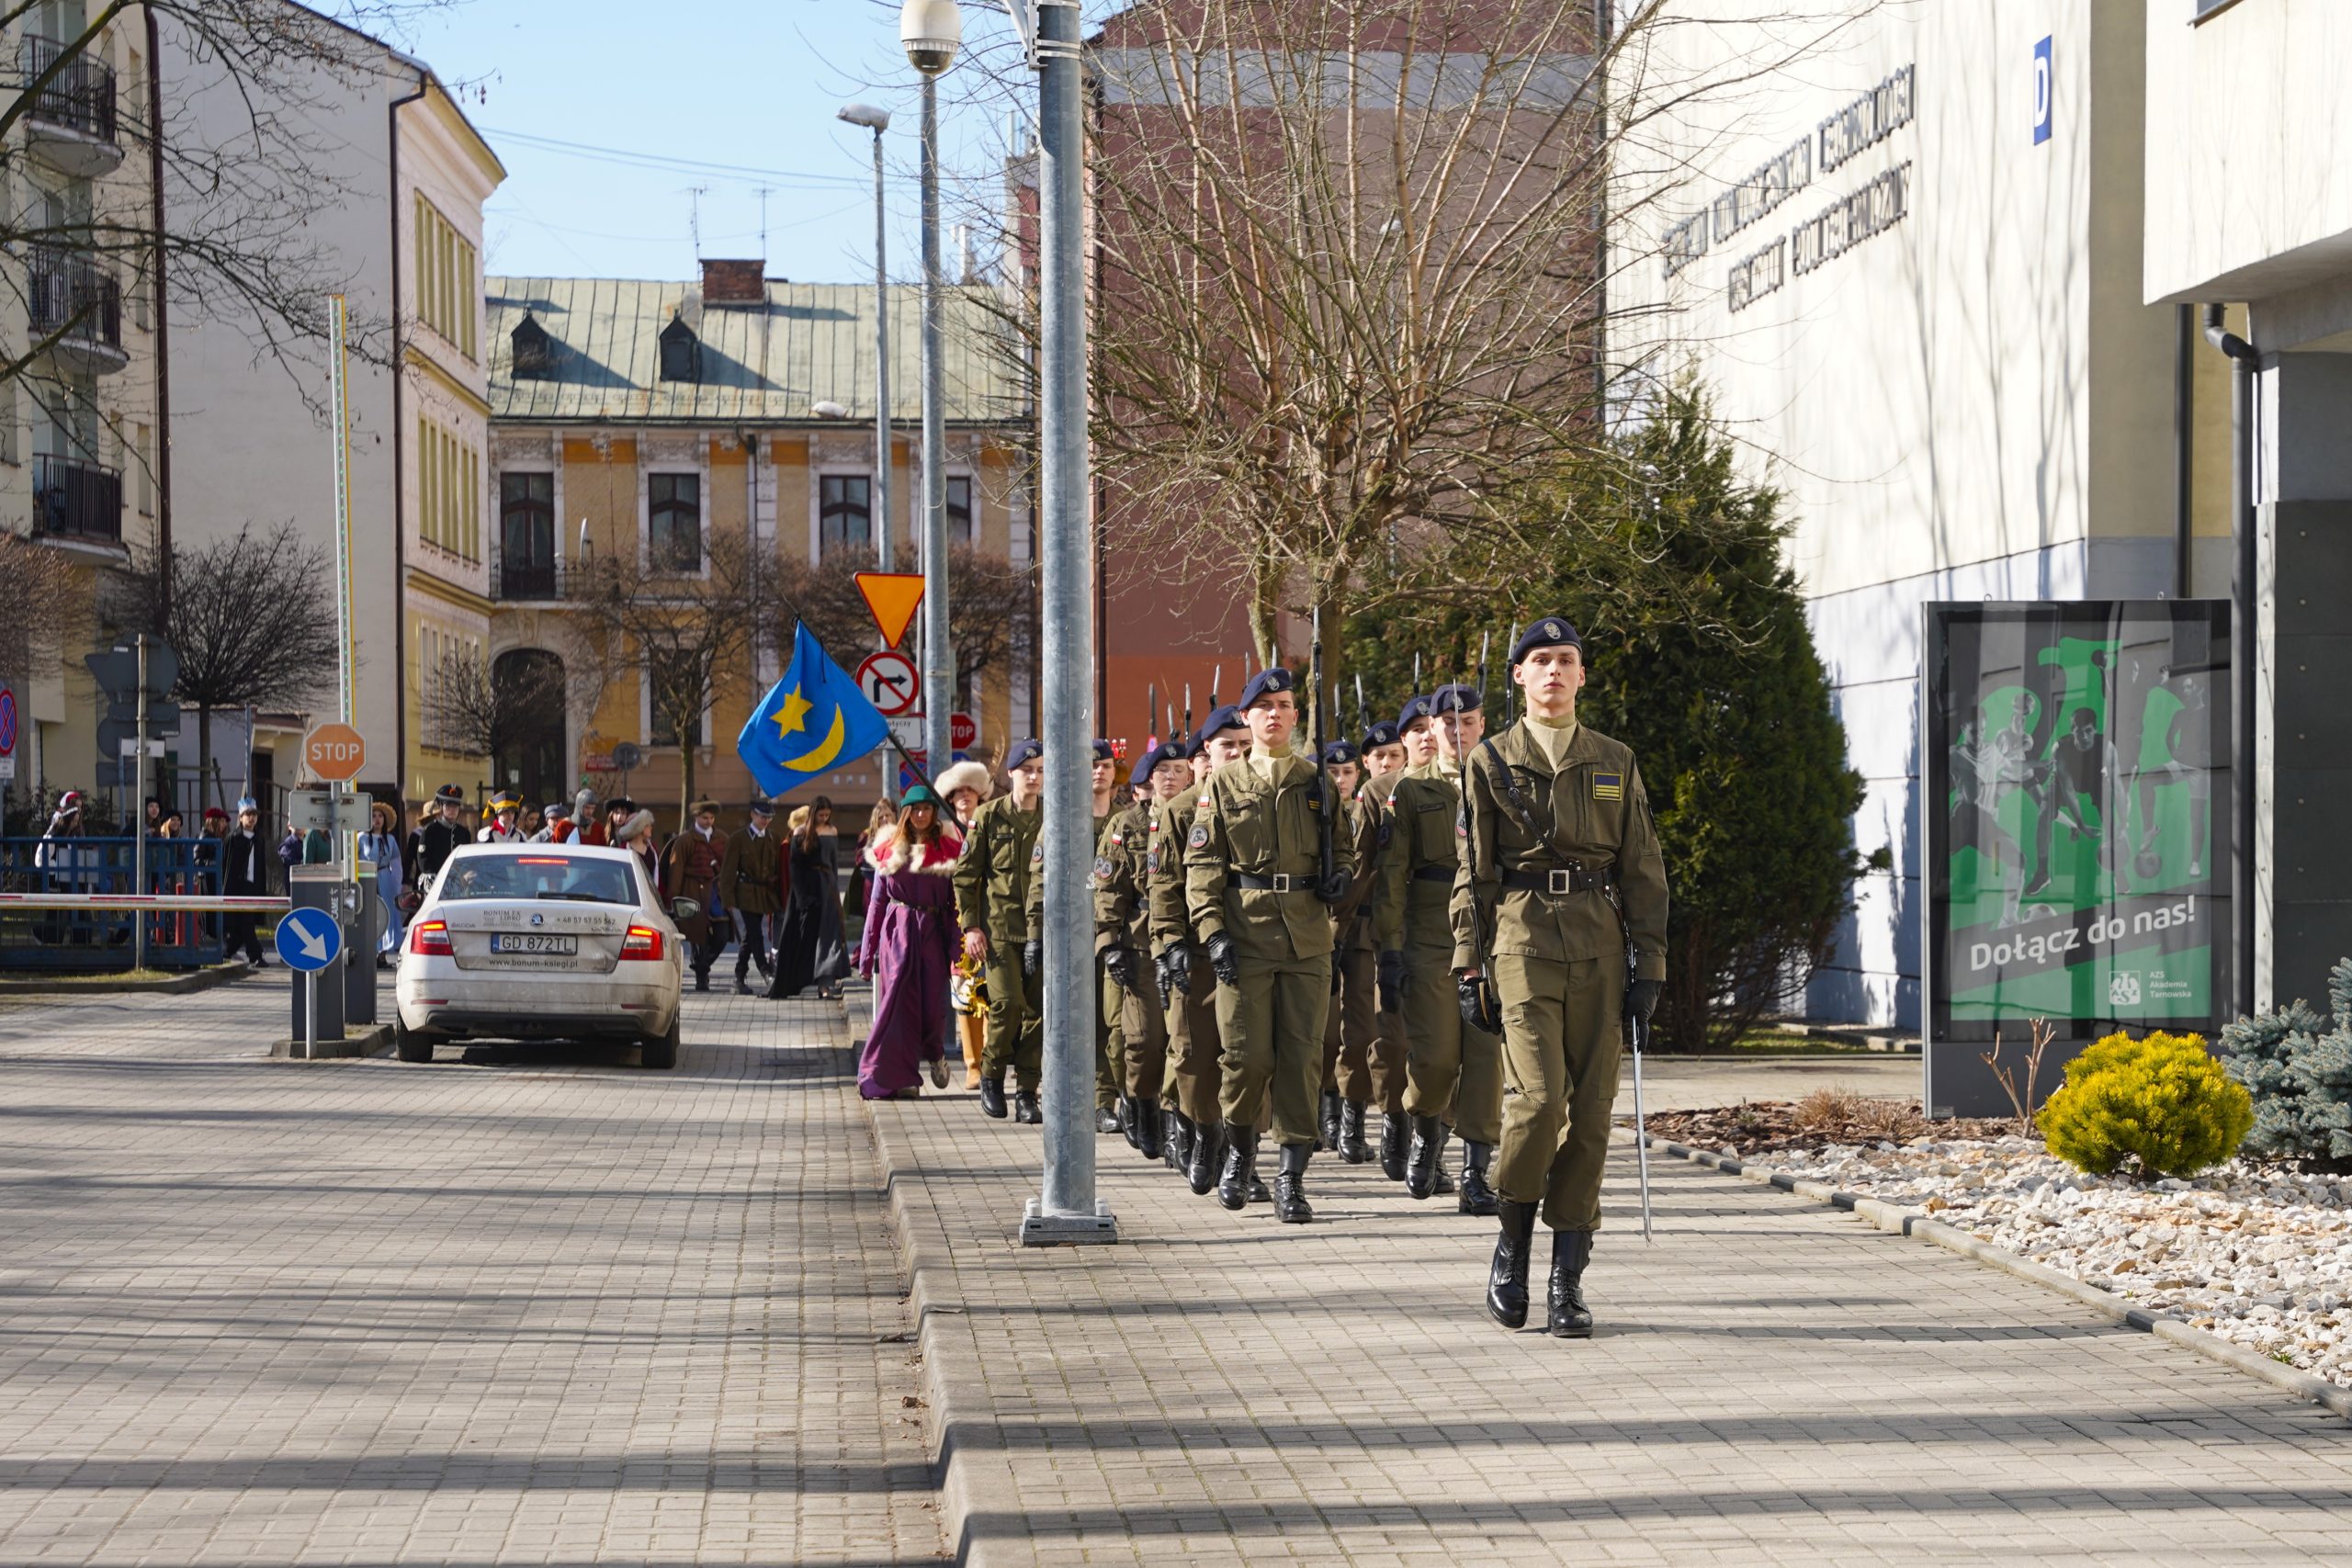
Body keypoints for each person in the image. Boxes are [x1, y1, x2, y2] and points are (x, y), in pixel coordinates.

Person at [1454, 618, 1668, 1339]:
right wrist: (1468, 962)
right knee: (1540, 1102)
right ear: (1518, 675)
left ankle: (1566, 1278)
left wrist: (1650, 968)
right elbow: (1473, 872)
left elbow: (1643, 869)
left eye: (1565, 659)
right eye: (1539, 659)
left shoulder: (1614, 759)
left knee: (1593, 1115)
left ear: (1581, 674)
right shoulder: (1490, 760)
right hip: (1521, 941)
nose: (1553, 670)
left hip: (1600, 947)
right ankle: (1512, 1243)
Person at [1183, 668, 1357, 1223]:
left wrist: (1341, 877)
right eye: (1264, 707)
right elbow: (1203, 866)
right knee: (1245, 1057)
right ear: (1247, 717)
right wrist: (1212, 933)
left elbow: (1344, 848)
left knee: (1303, 1058)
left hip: (1307, 936)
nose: (1275, 714)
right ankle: (1239, 1152)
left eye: (1284, 705)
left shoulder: (1315, 781)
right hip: (1246, 935)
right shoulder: (1222, 784)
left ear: (1295, 716)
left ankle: (1291, 1177)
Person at [1379, 683, 1503, 1214]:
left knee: (1486, 1060)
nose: (1458, 730)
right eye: (1448, 721)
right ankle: (1427, 1129)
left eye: (1468, 721)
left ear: (1482, 724)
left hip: (1493, 934)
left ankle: (1476, 1173)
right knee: (1435, 1058)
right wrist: (1389, 949)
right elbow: (1392, 876)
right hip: (1431, 935)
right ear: (1431, 728)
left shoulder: (1503, 780)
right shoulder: (1410, 790)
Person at [1152, 710, 1247, 1194]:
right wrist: (1169, 944)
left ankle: (1241, 1151)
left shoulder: (1262, 798)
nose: (1237, 754)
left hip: (1250, 949)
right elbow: (1164, 886)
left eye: (1244, 745)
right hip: (1196, 953)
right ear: (1206, 752)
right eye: (1228, 745)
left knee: (1246, 1055)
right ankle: (1205, 1130)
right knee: (1192, 1056)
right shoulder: (1181, 810)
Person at [1023, 739, 1126, 1134]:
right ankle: (1060, 1096)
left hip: (1112, 936)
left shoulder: (1125, 820)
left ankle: (1105, 1101)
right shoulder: (1062, 820)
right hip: (1069, 937)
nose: (1098, 772)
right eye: (1091, 766)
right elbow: (1040, 881)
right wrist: (1035, 935)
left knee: (1109, 1022)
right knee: (1066, 1022)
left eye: (1105, 766)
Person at [1094, 739, 1190, 1160]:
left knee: (1183, 1040)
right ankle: (1142, 1103)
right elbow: (1108, 887)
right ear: (1150, 777)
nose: (1171, 777)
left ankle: (1174, 1122)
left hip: (1186, 941)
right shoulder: (1128, 823)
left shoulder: (1198, 815)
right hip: (1140, 944)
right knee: (1145, 1040)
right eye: (1163, 770)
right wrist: (1108, 942)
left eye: (1179, 769)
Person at [955, 739, 1045, 1122]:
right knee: (1007, 1004)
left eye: (1040, 771)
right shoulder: (989, 816)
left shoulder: (1054, 815)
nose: (1034, 777)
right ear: (1011, 774)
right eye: (1027, 770)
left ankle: (1027, 1091)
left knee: (1038, 1013)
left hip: (1042, 931)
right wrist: (971, 927)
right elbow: (966, 876)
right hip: (999, 931)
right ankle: (991, 1075)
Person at [854, 784, 962, 1099]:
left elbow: (956, 907)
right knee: (899, 1006)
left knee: (932, 1007)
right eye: (915, 810)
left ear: (934, 813)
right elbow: (877, 904)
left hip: (932, 933)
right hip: (897, 935)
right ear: (906, 814)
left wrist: (958, 956)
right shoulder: (890, 849)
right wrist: (867, 955)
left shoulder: (948, 850)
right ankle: (901, 1078)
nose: (921, 815)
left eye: (926, 809)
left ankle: (935, 1052)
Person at [1318, 738, 1385, 1164]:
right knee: (1324, 1034)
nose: (1341, 780)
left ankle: (1350, 1118)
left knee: (1361, 1034)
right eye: (1333, 772)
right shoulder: (1313, 812)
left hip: (1362, 932)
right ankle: (1322, 1108)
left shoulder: (1374, 809)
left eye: (1346, 773)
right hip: (1319, 932)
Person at [772, 805, 851, 1000]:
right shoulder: (794, 839)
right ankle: (799, 980)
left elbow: (832, 864)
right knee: (803, 938)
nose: (823, 819)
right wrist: (801, 898)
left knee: (828, 937)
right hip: (804, 897)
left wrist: (833, 890)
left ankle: (825, 983)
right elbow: (792, 870)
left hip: (827, 891)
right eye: (820, 815)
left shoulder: (831, 832)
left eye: (826, 815)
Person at [662, 799, 730, 991]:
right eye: (705, 817)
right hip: (692, 891)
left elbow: (728, 867)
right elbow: (676, 869)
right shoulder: (685, 840)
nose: (709, 821)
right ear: (696, 817)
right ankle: (702, 977)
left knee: (722, 935)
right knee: (699, 936)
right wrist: (672, 898)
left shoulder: (722, 838)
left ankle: (701, 965)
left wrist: (729, 892)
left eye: (711, 818)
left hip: (715, 892)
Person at [718, 798, 784, 993]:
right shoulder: (738, 838)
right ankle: (766, 972)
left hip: (765, 893)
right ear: (752, 814)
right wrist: (727, 898)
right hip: (745, 893)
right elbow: (728, 871)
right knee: (755, 934)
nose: (766, 820)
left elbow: (778, 868)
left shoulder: (774, 838)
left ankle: (739, 977)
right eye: (762, 816)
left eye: (769, 817)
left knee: (748, 936)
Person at [220, 796, 272, 964]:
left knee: (245, 921)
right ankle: (255, 954)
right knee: (245, 920)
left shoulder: (259, 838)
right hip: (236, 885)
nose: (251, 818)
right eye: (248, 815)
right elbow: (226, 865)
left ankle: (228, 951)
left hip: (253, 884)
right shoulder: (233, 838)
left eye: (254, 815)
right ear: (241, 817)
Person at [360, 801, 406, 965]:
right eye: (373, 816)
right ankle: (369, 952)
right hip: (367, 878)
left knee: (387, 915)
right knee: (370, 915)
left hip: (386, 879)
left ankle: (382, 954)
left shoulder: (390, 840)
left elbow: (396, 863)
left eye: (380, 816)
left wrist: (397, 884)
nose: (377, 819)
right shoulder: (361, 838)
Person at [410, 785, 469, 901]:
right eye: (448, 806)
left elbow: (466, 860)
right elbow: (423, 860)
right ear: (441, 807)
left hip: (458, 884)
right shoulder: (430, 830)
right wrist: (438, 879)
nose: (452, 809)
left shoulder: (464, 833)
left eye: (455, 806)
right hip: (435, 884)